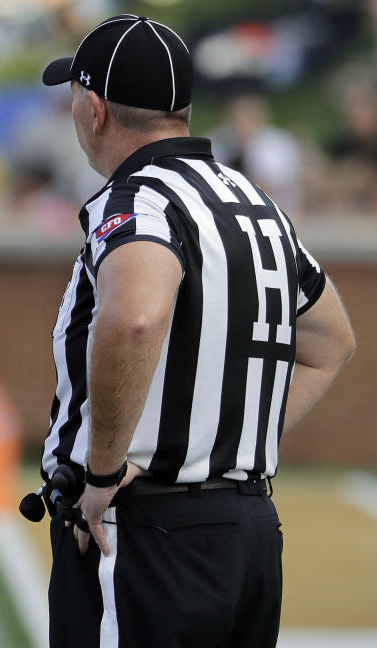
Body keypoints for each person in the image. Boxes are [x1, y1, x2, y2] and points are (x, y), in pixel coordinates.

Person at [34, 15, 355, 648]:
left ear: (94, 107)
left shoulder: (137, 199)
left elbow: (133, 316)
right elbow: (330, 342)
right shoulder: (253, 200)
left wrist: (101, 476)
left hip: (147, 530)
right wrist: (227, 439)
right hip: (250, 531)